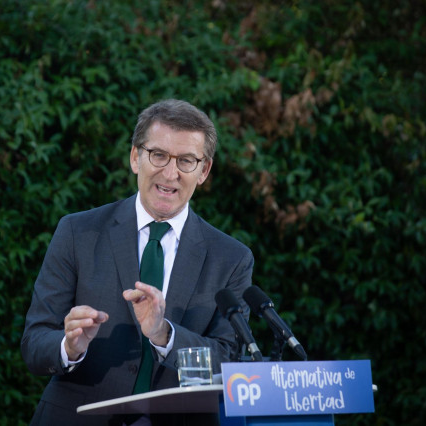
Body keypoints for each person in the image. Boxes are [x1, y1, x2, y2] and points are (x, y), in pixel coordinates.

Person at [21, 99, 254, 426]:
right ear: (135, 158)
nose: (170, 173)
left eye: (186, 160)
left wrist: (164, 334)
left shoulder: (231, 258)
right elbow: (34, 343)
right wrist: (68, 345)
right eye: (158, 155)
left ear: (204, 171)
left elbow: (227, 361)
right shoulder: (78, 232)